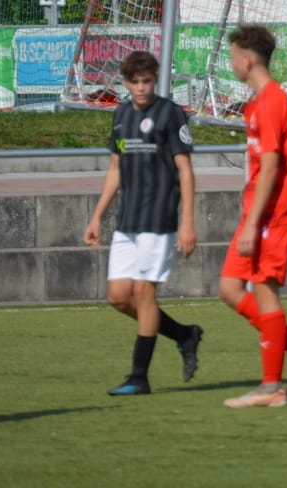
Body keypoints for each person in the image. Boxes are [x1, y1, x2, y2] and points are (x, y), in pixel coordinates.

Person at [83, 50, 204, 396]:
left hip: (159, 218)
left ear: (155, 80)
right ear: (125, 82)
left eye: (147, 81)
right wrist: (97, 216)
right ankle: (183, 334)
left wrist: (187, 222)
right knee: (118, 297)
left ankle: (139, 376)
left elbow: (185, 170)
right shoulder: (121, 115)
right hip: (128, 220)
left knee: (143, 292)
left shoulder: (170, 113)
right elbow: (115, 169)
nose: (141, 88)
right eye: (135, 82)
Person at [217, 24, 287, 408]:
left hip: (273, 216)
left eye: (233, 57)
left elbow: (272, 167)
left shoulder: (273, 102)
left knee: (264, 291)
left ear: (247, 60)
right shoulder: (257, 103)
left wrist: (252, 222)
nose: (231, 64)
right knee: (230, 288)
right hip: (257, 215)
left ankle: (272, 387)